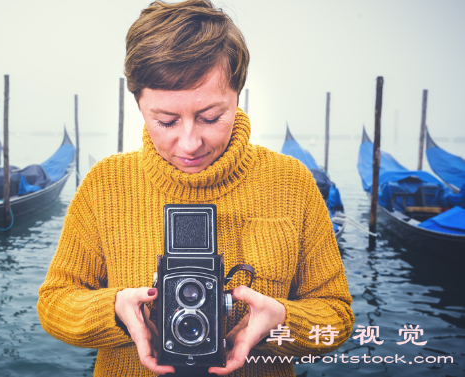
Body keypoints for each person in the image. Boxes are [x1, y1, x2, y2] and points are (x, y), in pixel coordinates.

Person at [37, 1, 354, 376]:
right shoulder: (104, 184)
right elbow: (55, 303)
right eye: (166, 121)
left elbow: (336, 316)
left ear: (238, 93)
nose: (189, 144)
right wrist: (116, 311)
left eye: (210, 117)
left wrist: (282, 319)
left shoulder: (292, 182)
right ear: (138, 103)